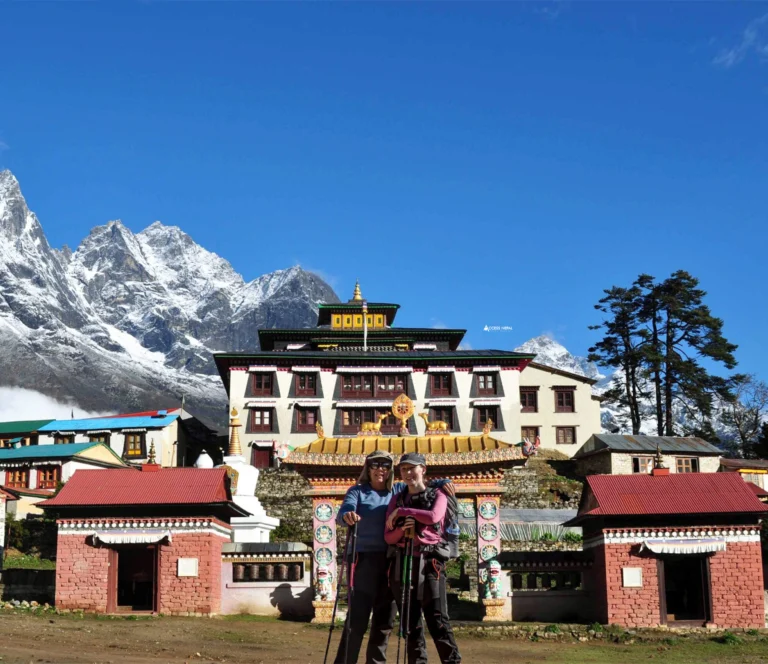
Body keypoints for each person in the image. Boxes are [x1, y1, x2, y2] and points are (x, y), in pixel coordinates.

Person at [334, 450, 452, 664]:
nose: (381, 469)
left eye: (386, 465)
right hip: (364, 560)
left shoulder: (397, 490)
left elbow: (419, 483)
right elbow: (344, 513)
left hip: (393, 559)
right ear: (368, 469)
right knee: (357, 619)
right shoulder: (357, 491)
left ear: (390, 471)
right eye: (375, 464)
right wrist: (347, 515)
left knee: (385, 619)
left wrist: (443, 482)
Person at [385, 452, 462, 664]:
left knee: (437, 618)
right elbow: (388, 535)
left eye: (413, 468)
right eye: (404, 469)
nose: (408, 473)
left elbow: (434, 517)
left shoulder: (438, 496)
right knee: (410, 622)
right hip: (404, 561)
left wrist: (402, 512)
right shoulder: (397, 498)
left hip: (431, 564)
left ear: (423, 470)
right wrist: (403, 530)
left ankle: (451, 661)